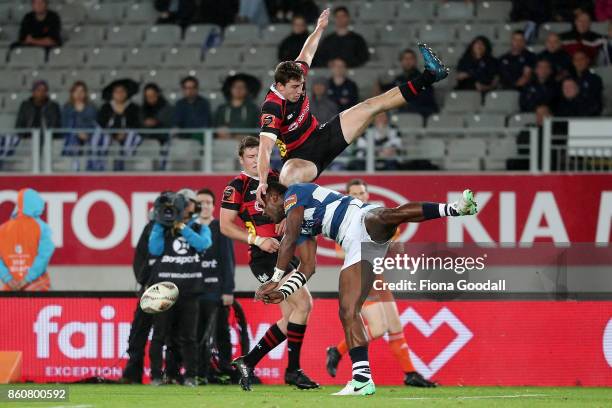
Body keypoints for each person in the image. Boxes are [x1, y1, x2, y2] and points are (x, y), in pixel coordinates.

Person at [254, 182, 478, 395]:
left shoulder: (294, 193)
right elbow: (307, 268)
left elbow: (289, 237)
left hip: (360, 218)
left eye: (263, 206)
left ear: (274, 197)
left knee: (384, 216)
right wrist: (283, 291)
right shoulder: (299, 226)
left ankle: (455, 208)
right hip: (355, 247)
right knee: (348, 311)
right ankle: (362, 380)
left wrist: (276, 278)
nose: (263, 213)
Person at [255, 8, 448, 204]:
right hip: (300, 158)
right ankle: (284, 221)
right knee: (287, 177)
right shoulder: (272, 107)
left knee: (371, 106)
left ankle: (430, 76)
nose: (299, 90)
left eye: (302, 85)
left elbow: (307, 52)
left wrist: (319, 29)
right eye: (294, 87)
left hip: (323, 136)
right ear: (279, 86)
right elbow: (265, 148)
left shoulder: (297, 73)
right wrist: (262, 181)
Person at [221, 137, 319, 391]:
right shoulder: (236, 187)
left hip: (285, 253)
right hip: (264, 258)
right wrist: (258, 239)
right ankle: (293, 371)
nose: (256, 161)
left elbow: (300, 201)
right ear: (242, 160)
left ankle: (248, 361)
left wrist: (287, 215)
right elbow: (225, 225)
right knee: (304, 303)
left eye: (259, 155)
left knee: (291, 318)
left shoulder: (277, 179)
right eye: (251, 157)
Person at [325, 179, 436, 388]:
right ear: (348, 197)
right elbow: (343, 252)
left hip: (379, 277)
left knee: (395, 327)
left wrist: (394, 247)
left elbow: (389, 245)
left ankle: (410, 374)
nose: (359, 196)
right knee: (378, 328)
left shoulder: (381, 218)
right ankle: (337, 350)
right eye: (354, 193)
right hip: (360, 279)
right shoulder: (344, 223)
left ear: (368, 196)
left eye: (361, 193)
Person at [148, 190, 212, 386]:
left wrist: (182, 228)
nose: (183, 208)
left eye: (186, 204)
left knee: (189, 337)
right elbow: (154, 249)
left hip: (190, 290)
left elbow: (204, 244)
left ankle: (190, 376)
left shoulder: (200, 227)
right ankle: (157, 376)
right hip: (164, 289)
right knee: (159, 335)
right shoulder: (161, 226)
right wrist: (160, 224)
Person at [195, 188, 236, 383]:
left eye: (208, 203)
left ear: (213, 206)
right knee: (195, 334)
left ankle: (225, 368)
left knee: (221, 332)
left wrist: (228, 290)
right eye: (200, 202)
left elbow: (227, 261)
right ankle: (199, 370)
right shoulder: (188, 229)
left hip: (216, 291)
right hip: (194, 292)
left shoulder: (221, 228)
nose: (204, 206)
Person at [121, 216, 156, 384]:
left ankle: (170, 374)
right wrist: (143, 282)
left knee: (168, 336)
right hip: (149, 291)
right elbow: (140, 259)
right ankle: (132, 373)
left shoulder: (183, 228)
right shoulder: (150, 229)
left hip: (172, 291)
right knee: (138, 333)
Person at [0, 188, 54, 291]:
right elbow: (44, 256)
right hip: (39, 286)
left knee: (7, 307)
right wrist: (27, 279)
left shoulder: (2, 229)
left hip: (10, 288)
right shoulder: (42, 227)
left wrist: (7, 278)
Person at [98, 80, 142, 170]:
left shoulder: (134, 107)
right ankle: (101, 163)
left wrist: (124, 132)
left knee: (133, 135)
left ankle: (125, 161)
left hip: (127, 136)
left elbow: (136, 123)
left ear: (127, 93)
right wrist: (113, 134)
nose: (120, 94)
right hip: (109, 136)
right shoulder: (106, 107)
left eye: (122, 91)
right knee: (100, 134)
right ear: (112, 94)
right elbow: (101, 123)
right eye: (117, 91)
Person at [385, 49, 438, 117]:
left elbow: (426, 101)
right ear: (401, 62)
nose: (408, 61)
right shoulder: (398, 80)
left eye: (410, 58)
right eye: (405, 59)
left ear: (415, 61)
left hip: (421, 113)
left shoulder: (423, 79)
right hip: (402, 114)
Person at [61, 81, 99, 170]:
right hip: (72, 137)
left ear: (85, 93)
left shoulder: (92, 108)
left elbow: (93, 124)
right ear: (72, 93)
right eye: (76, 91)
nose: (79, 94)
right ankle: (75, 167)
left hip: (89, 137)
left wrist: (87, 133)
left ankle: (90, 166)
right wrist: (77, 133)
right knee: (73, 140)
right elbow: (64, 126)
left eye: (82, 91)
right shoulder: (67, 108)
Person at [174, 76, 212, 141]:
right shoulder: (179, 104)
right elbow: (176, 123)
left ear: (197, 89)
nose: (190, 91)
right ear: (183, 90)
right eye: (187, 88)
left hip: (199, 137)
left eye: (193, 88)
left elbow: (204, 124)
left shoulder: (204, 103)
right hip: (183, 138)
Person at [571, 50, 603, 115]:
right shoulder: (569, 79)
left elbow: (594, 100)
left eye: (581, 59)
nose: (579, 62)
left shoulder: (595, 79)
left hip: (588, 117)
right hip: (571, 117)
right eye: (576, 60)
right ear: (573, 62)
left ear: (587, 60)